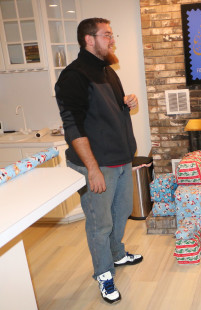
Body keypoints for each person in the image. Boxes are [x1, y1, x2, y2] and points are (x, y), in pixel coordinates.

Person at [55, 17, 143, 304]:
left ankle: (117, 255)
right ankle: (104, 275)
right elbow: (73, 127)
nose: (112, 40)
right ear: (89, 40)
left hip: (119, 159)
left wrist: (128, 102)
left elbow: (111, 110)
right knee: (99, 224)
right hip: (96, 165)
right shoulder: (73, 77)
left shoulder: (107, 71)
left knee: (120, 215)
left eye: (111, 35)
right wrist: (92, 169)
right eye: (107, 35)